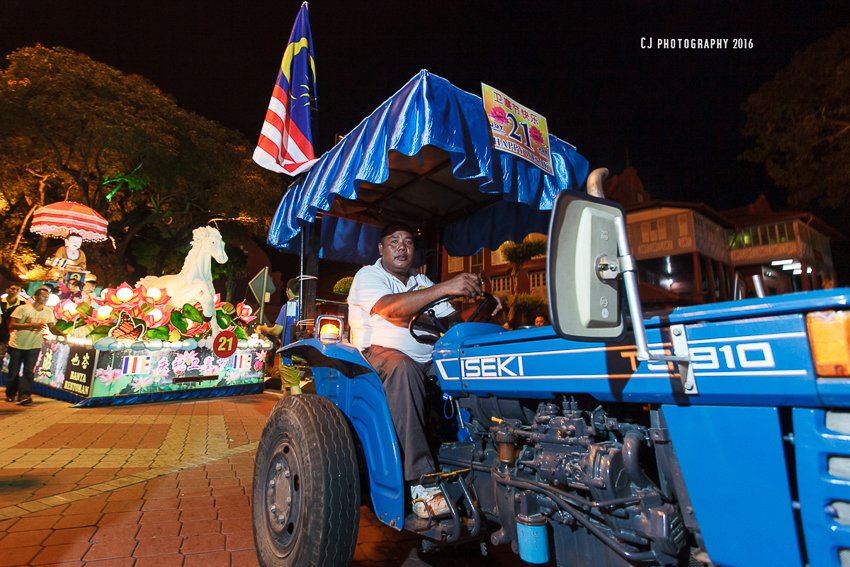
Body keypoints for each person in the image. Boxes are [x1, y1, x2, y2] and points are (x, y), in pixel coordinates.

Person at [347, 222, 501, 519]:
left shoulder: (422, 282)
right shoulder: (369, 275)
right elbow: (393, 309)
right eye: (394, 241)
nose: (402, 247)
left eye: (408, 242)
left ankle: (480, 456)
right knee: (403, 369)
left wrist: (489, 306)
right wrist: (446, 287)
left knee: (471, 365)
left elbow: (456, 323)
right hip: (379, 354)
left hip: (429, 357)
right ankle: (420, 480)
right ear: (381, 248)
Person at [6, 289, 65, 405]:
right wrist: (32, 325)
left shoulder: (48, 312)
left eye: (47, 296)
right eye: (43, 296)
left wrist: (63, 334)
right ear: (36, 297)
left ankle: (24, 395)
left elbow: (52, 328)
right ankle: (11, 393)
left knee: (29, 371)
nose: (46, 298)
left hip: (34, 346)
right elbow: (12, 325)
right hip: (17, 345)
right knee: (14, 371)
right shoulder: (23, 309)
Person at [0, 284, 25, 360]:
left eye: (18, 290)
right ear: (7, 290)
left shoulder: (22, 305)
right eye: (13, 289)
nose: (15, 291)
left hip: (12, 332)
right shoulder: (1, 302)